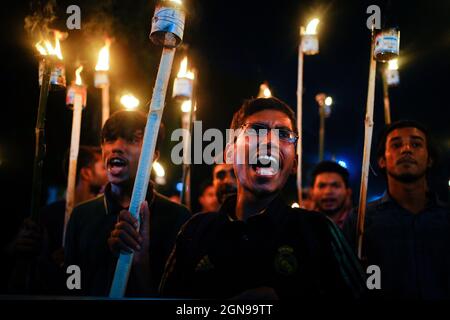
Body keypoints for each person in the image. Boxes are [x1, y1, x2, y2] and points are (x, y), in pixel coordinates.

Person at [159, 97, 366, 299]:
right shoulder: (194, 232)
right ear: (230, 154)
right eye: (256, 130)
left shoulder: (319, 232)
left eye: (284, 134)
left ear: (294, 163)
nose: (270, 141)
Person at [64, 110, 191, 297]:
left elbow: (178, 295)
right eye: (110, 139)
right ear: (102, 148)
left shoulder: (179, 218)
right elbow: (70, 284)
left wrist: (140, 263)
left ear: (153, 155)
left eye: (132, 140)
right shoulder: (81, 216)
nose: (117, 147)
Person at [343, 120, 450, 299]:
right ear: (382, 160)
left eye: (416, 144)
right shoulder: (361, 220)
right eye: (396, 145)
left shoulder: (446, 218)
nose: (406, 149)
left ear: (429, 159)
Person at [4, 146, 107, 294]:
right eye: (104, 167)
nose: (110, 173)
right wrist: (48, 261)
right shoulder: (50, 215)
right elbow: (26, 270)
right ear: (86, 173)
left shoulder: (103, 215)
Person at [310, 161, 352, 228]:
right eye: (322, 186)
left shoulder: (358, 224)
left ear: (348, 192)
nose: (328, 192)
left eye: (335, 185)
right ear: (311, 192)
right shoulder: (304, 225)